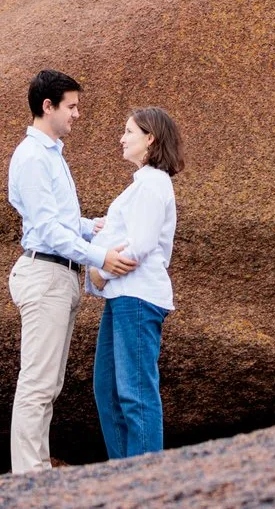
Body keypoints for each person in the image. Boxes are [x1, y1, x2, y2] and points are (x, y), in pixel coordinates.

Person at [6, 69, 135, 474]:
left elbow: (58, 220)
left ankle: (36, 468)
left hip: (59, 275)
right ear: (48, 106)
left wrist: (91, 225)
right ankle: (29, 478)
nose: (77, 114)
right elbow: (45, 230)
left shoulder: (51, 154)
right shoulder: (31, 157)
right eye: (72, 106)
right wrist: (99, 256)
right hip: (45, 274)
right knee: (38, 384)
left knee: (49, 384)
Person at [88, 106, 183, 460]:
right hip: (124, 296)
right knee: (108, 389)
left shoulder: (153, 183)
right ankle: (124, 473)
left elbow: (141, 245)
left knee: (135, 392)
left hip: (137, 298)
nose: (122, 137)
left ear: (150, 138)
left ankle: (146, 484)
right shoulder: (143, 185)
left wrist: (100, 271)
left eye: (128, 131)